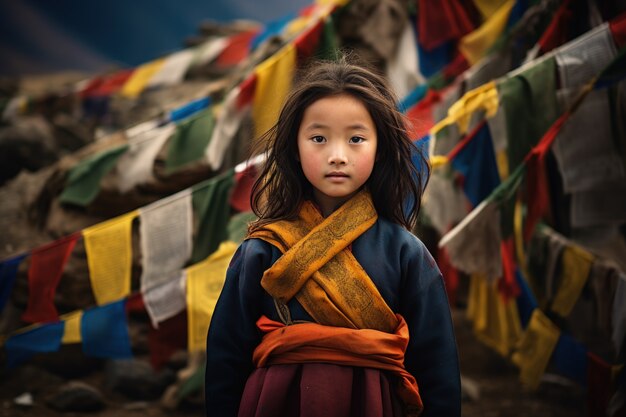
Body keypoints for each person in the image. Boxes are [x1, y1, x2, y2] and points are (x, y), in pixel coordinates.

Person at [205, 57, 461, 417]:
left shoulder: (407, 254)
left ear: (380, 148)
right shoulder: (261, 249)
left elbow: (437, 368)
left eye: (356, 138)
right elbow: (225, 359)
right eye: (319, 138)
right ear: (294, 147)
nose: (337, 156)